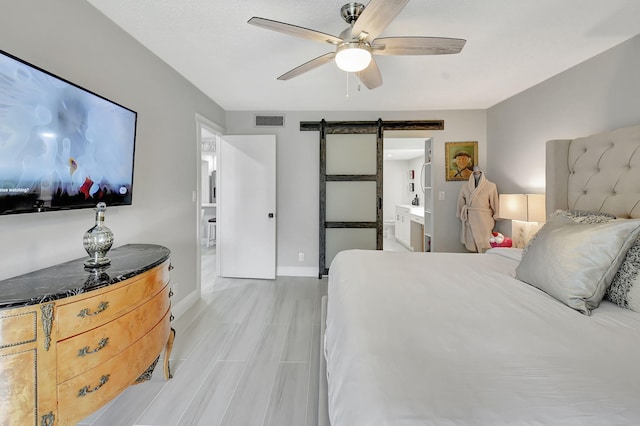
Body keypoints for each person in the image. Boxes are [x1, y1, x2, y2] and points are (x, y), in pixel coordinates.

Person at [456, 166, 499, 253]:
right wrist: (461, 212)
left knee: (485, 243)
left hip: (484, 220)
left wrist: (497, 213)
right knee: (472, 245)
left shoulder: (491, 186)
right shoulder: (465, 186)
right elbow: (460, 201)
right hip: (470, 218)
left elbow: (494, 202)